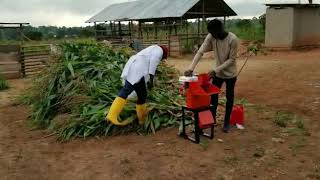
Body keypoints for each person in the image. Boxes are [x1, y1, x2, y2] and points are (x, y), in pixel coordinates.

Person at [184, 19, 239, 133]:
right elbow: (201, 51)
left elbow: (232, 59)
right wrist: (191, 68)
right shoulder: (211, 36)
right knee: (213, 97)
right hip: (218, 74)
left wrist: (216, 69)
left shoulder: (233, 39)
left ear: (220, 29)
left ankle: (226, 122)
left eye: (214, 33)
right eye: (211, 33)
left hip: (230, 74)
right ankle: (211, 120)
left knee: (229, 98)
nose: (213, 36)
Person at [106, 45, 169, 126]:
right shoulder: (159, 50)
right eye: (163, 58)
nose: (162, 59)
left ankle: (142, 120)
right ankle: (111, 115)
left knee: (142, 95)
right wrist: (151, 80)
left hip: (139, 70)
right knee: (127, 89)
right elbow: (153, 62)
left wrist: (150, 81)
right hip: (137, 68)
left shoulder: (152, 49)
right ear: (164, 53)